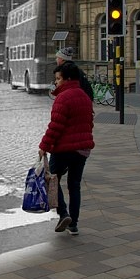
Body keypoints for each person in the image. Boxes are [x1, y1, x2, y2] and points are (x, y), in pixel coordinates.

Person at [39, 61, 94, 236]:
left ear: (67, 79)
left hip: (64, 148)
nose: (56, 82)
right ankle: (74, 224)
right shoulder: (84, 96)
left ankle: (63, 214)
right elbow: (89, 123)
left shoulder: (63, 97)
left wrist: (44, 146)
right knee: (74, 184)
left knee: (52, 179)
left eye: (58, 79)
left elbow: (55, 126)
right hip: (83, 149)